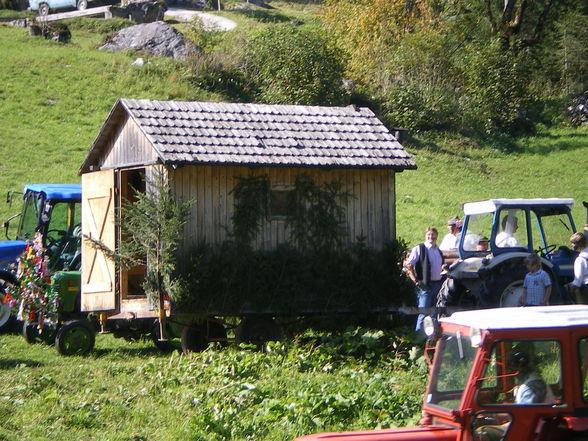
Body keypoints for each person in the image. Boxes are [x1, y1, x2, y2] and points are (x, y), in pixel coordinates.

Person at [405, 227, 444, 333]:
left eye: (433, 235)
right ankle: (418, 338)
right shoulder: (419, 248)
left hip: (437, 284)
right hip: (425, 286)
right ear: (425, 236)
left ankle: (431, 338)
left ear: (436, 236)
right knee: (423, 313)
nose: (431, 237)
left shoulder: (438, 250)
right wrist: (416, 281)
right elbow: (409, 265)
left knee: (434, 313)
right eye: (429, 235)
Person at [570, 232, 588, 303]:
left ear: (580, 244)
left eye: (574, 243)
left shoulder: (580, 260)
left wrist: (571, 289)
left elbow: (578, 281)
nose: (572, 245)